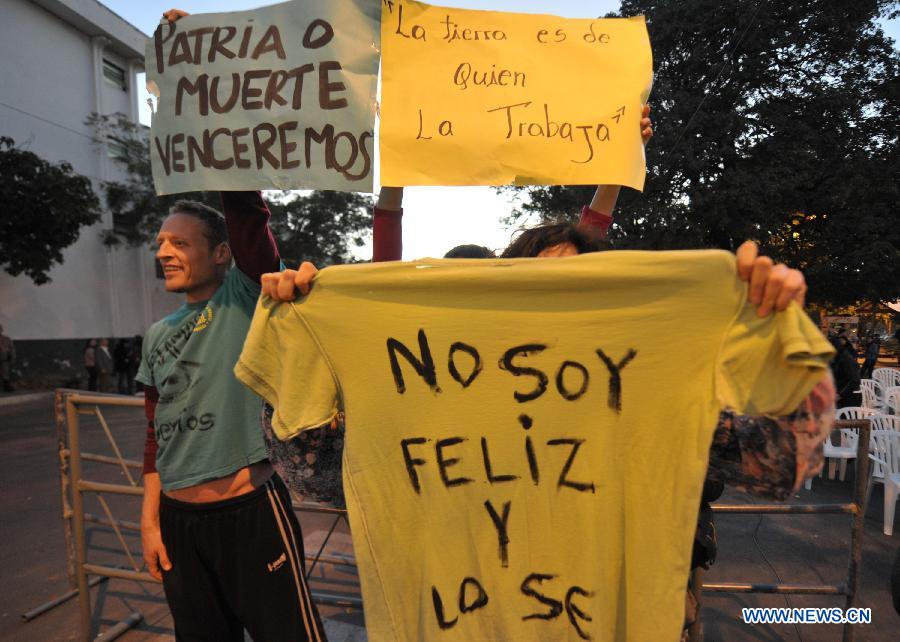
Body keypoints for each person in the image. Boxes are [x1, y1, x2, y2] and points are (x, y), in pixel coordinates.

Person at [0, 324, 15, 392]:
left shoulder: (7, 339)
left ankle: (6, 387)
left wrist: (12, 359)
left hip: (4, 360)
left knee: (5, 374)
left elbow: (12, 350)